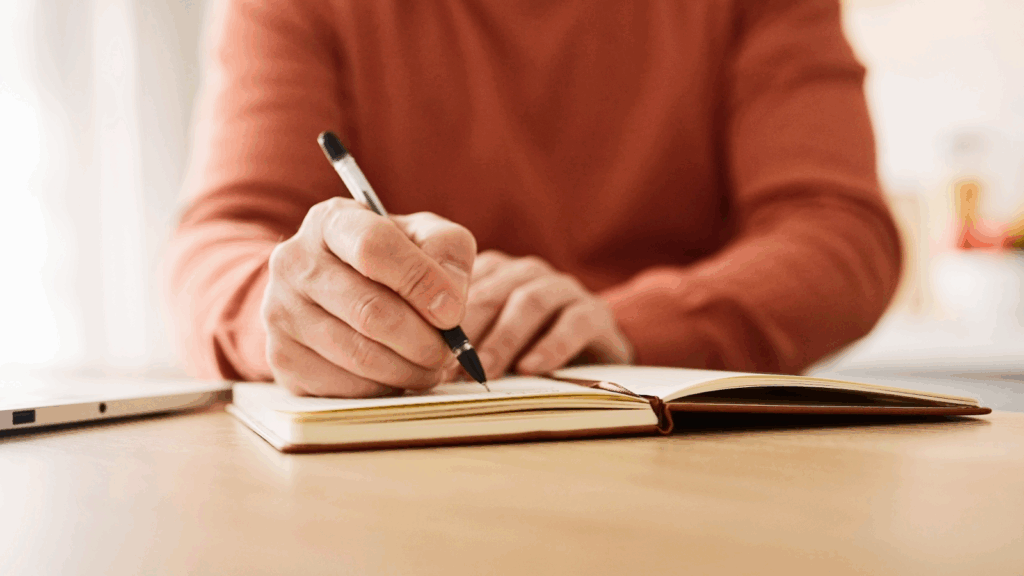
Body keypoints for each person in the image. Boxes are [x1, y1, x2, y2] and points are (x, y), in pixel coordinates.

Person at [167, 0, 902, 398]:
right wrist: (296, 311)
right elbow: (221, 240)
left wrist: (625, 323)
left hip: (695, 462)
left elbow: (839, 231)